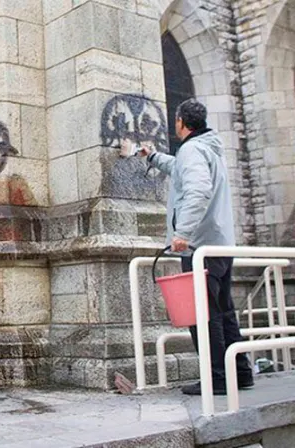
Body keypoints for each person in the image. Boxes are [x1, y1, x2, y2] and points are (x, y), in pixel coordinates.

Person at [135, 98, 253, 395]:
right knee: (223, 310)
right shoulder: (207, 147)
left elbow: (198, 189)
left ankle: (217, 379)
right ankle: (240, 373)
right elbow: (182, 169)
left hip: (200, 246)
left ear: (180, 123)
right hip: (220, 246)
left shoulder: (191, 149)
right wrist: (153, 157)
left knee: (204, 314)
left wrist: (182, 233)